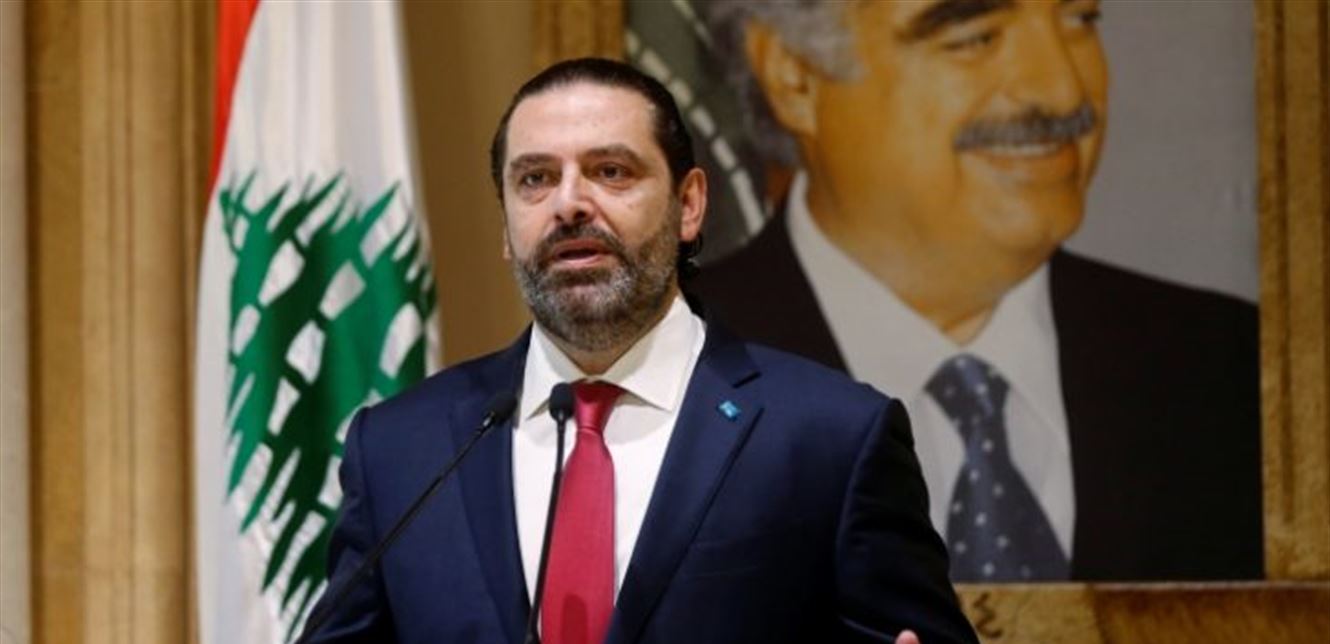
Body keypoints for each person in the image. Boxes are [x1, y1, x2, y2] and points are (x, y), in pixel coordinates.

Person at [302, 58, 979, 643]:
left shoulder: (834, 438)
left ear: (689, 205)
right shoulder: (401, 451)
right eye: (535, 179)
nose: (569, 204)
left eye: (610, 171)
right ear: (507, 225)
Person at [688, 0, 1262, 581]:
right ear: (795, 77)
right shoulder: (663, 375)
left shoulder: (1245, 376)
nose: (1062, 90)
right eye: (974, 37)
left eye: (1080, 20)